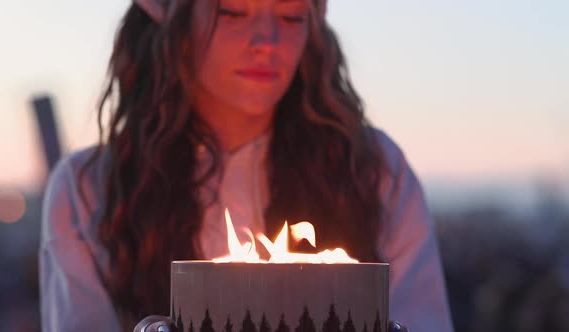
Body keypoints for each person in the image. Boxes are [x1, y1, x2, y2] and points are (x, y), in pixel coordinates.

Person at [39, 0, 454, 331]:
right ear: (175, 18)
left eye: (292, 15)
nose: (267, 40)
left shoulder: (374, 170)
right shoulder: (88, 189)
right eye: (232, 10)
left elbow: (422, 317)